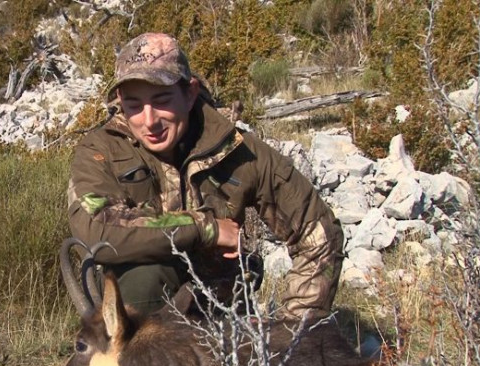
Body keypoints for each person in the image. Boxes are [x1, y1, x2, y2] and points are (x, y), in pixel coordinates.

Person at [67, 32, 344, 319]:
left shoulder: (238, 148)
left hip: (221, 308)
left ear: (189, 94)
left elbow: (319, 232)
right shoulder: (99, 150)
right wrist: (205, 228)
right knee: (144, 277)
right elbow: (96, 230)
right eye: (134, 105)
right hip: (140, 315)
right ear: (120, 100)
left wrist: (296, 325)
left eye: (162, 100)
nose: (149, 121)